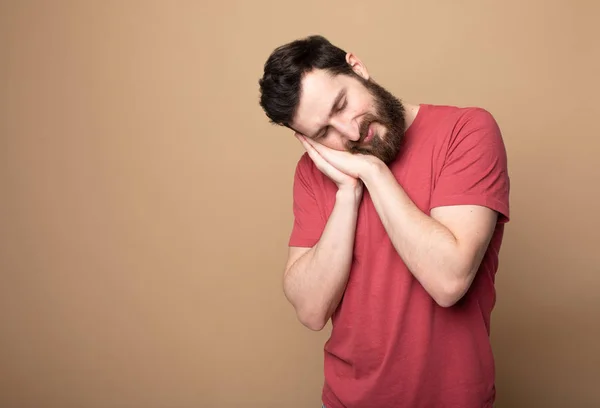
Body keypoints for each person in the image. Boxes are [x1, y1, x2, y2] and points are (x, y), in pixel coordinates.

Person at [257, 35, 510, 408]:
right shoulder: (314, 173)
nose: (349, 133)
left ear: (357, 67)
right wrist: (348, 193)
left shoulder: (466, 131)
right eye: (323, 132)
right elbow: (311, 311)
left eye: (342, 105)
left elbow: (449, 280)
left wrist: (373, 173)